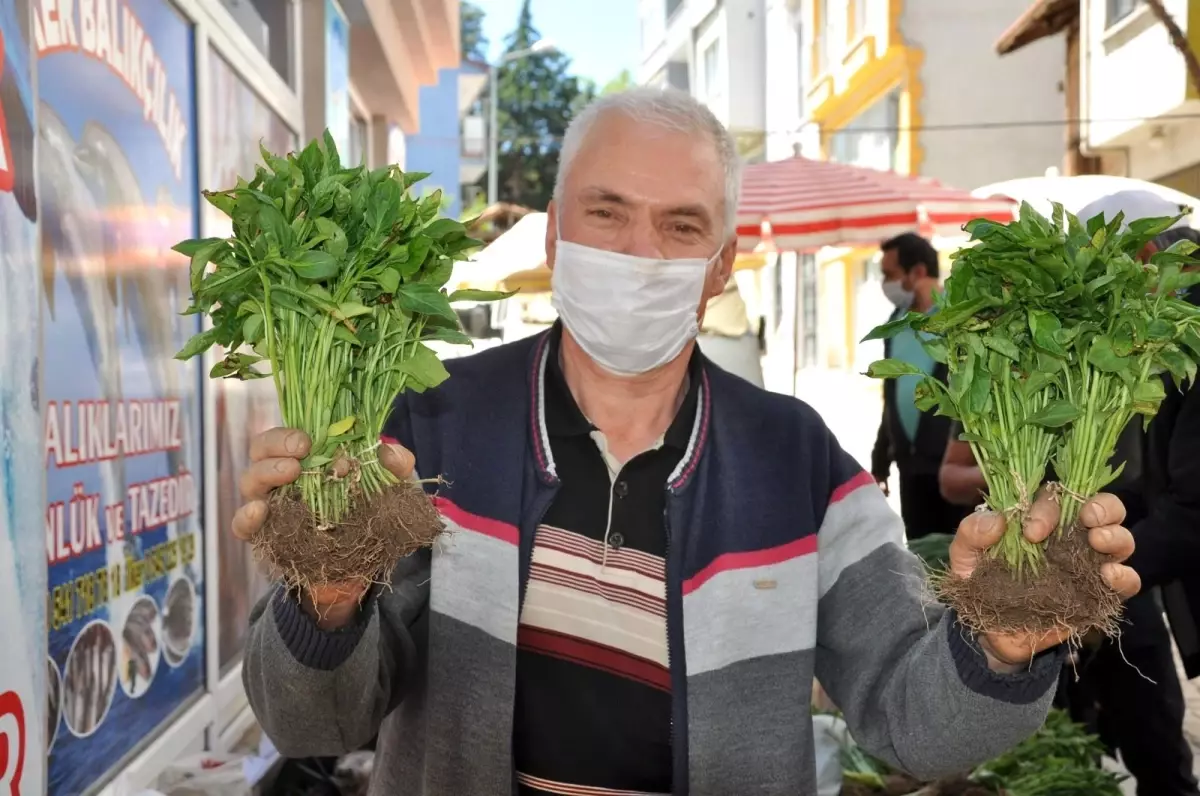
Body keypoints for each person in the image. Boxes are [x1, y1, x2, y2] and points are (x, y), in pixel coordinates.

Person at [236, 88, 1139, 796]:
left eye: (680, 226)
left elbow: (916, 727)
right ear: (554, 235)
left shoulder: (797, 460)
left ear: (720, 266)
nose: (640, 253)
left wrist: (1002, 650)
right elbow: (316, 727)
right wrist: (326, 601)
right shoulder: (429, 426)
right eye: (606, 213)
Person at [938, 194, 1199, 796]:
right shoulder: (1144, 336)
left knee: (1156, 738)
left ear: (1144, 255)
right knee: (1107, 720)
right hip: (1119, 553)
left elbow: (1192, 505)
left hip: (1140, 561)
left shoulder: (1181, 330)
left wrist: (1099, 564)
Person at [872, 232, 971, 540]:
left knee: (960, 551)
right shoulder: (895, 324)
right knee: (920, 554)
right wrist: (880, 461)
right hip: (910, 467)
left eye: (890, 275)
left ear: (917, 272)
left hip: (952, 466)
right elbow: (891, 397)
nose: (885, 284)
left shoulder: (959, 319)